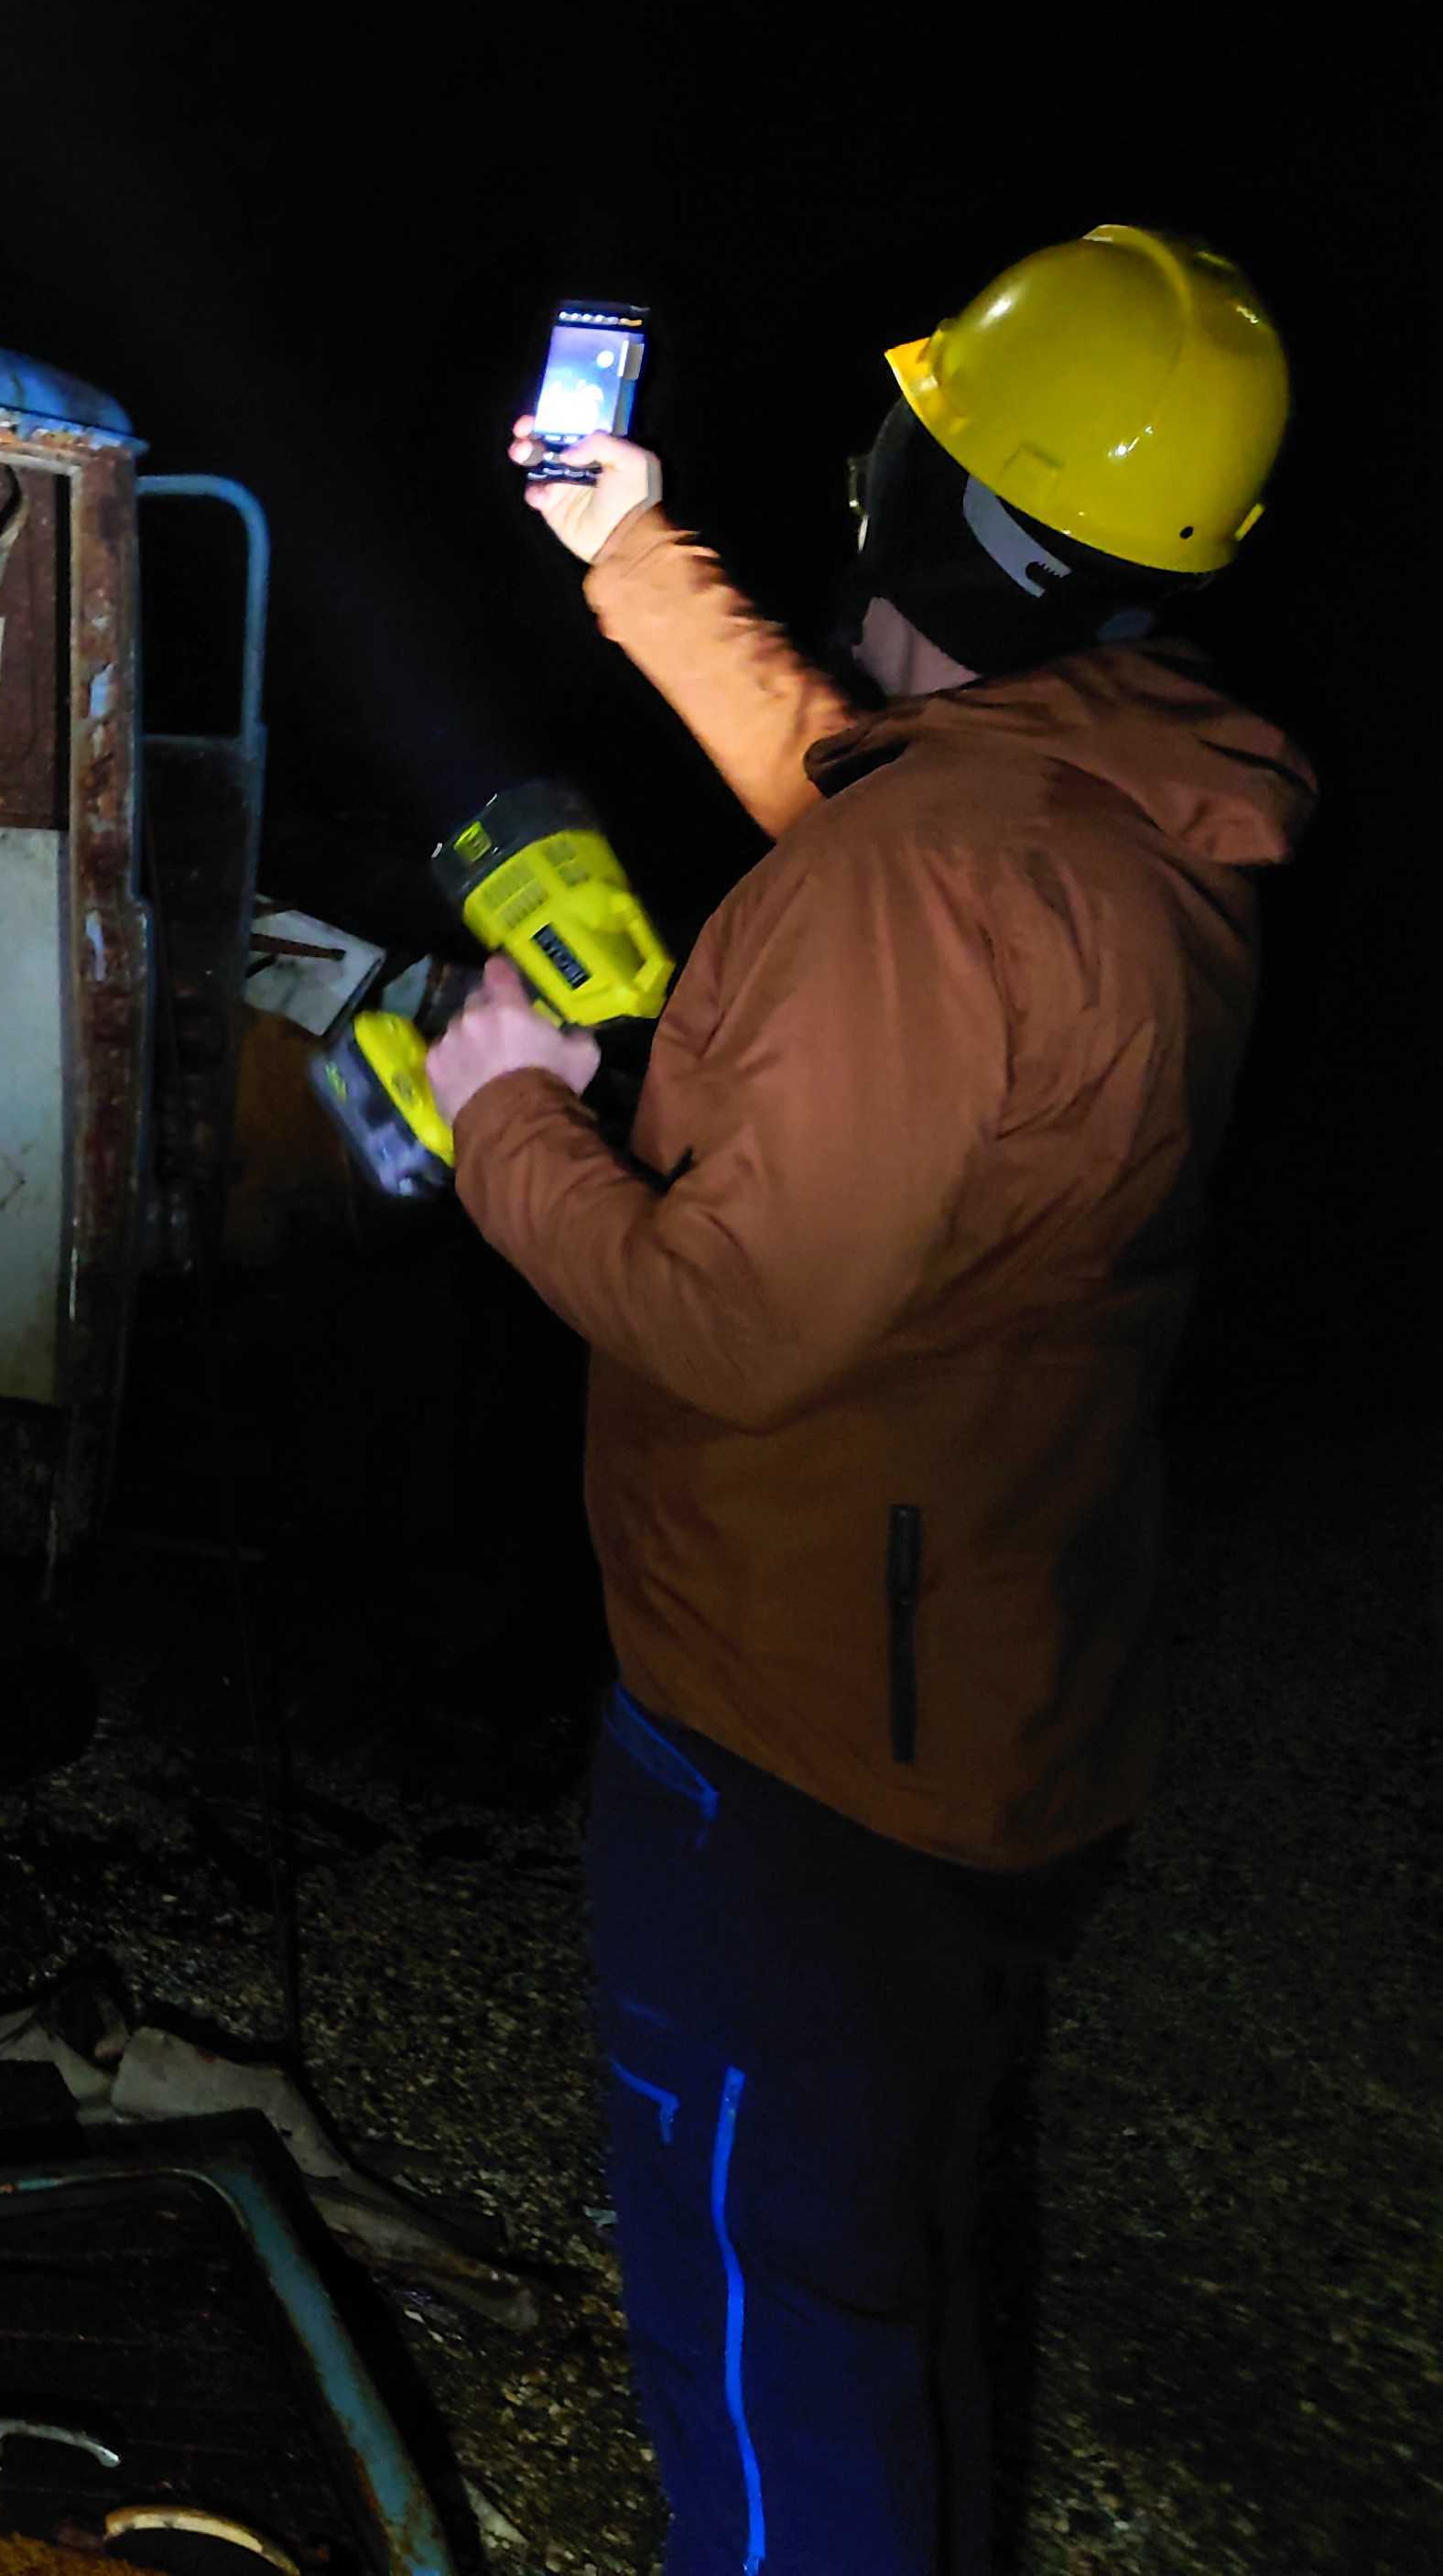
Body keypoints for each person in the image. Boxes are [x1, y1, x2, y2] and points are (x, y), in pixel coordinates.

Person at [428, 225, 1310, 2573]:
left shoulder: (933, 884)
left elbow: (724, 1322)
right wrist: (629, 544)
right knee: (887, 2268)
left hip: (803, 1756)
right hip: (998, 1704)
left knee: (780, 2340)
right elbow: (865, 780)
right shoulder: (1114, 819)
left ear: (945, 507)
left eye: (902, 445)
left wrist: (504, 1103)